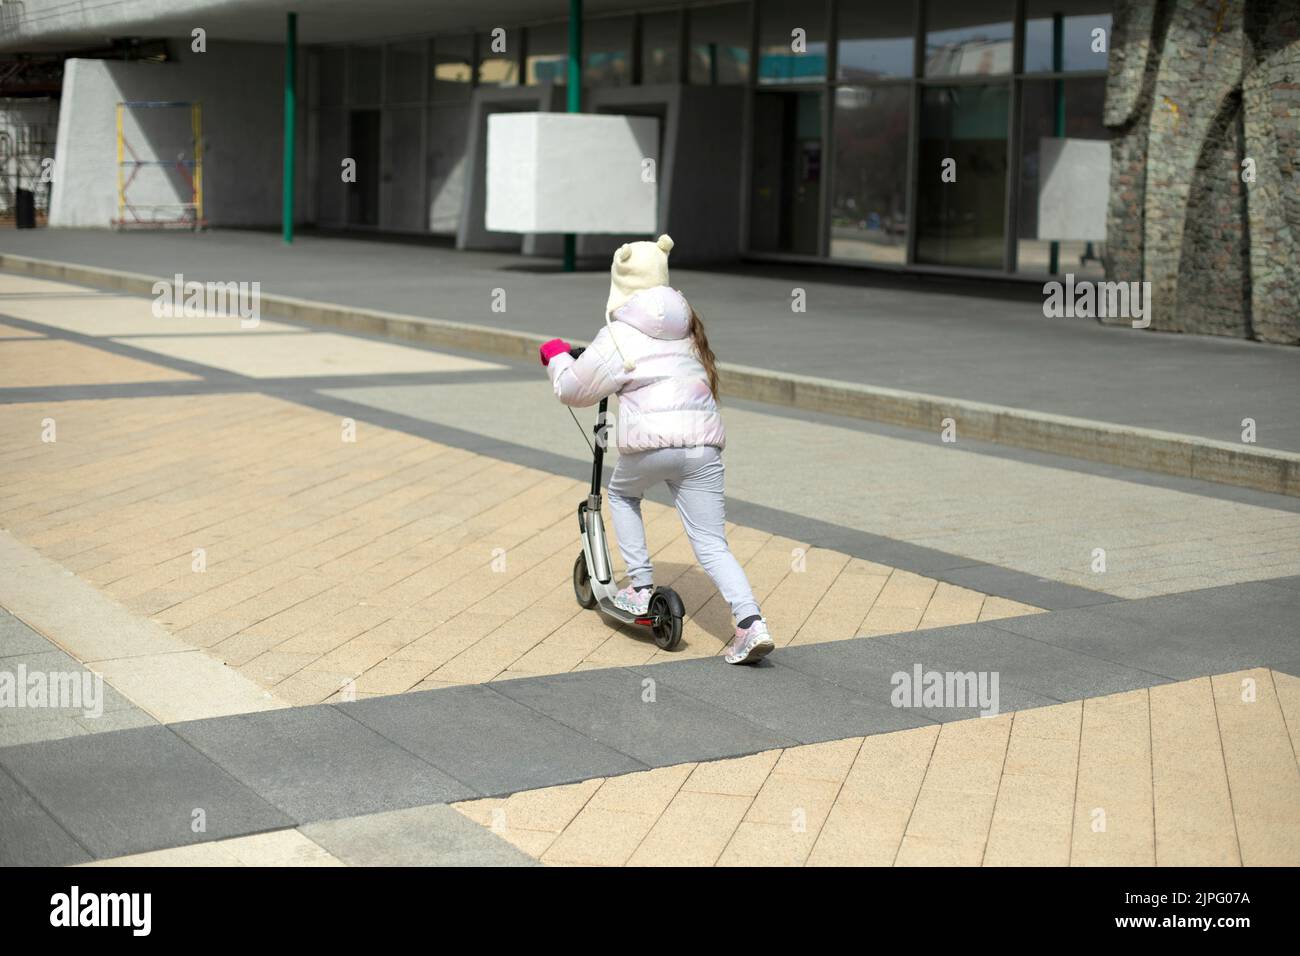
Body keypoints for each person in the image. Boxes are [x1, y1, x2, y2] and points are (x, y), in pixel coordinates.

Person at [538, 234, 774, 665]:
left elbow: (574, 390)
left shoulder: (621, 333)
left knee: (624, 494)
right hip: (704, 446)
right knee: (711, 541)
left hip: (653, 445)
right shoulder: (688, 329)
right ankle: (750, 624)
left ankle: (641, 586)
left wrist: (556, 356)